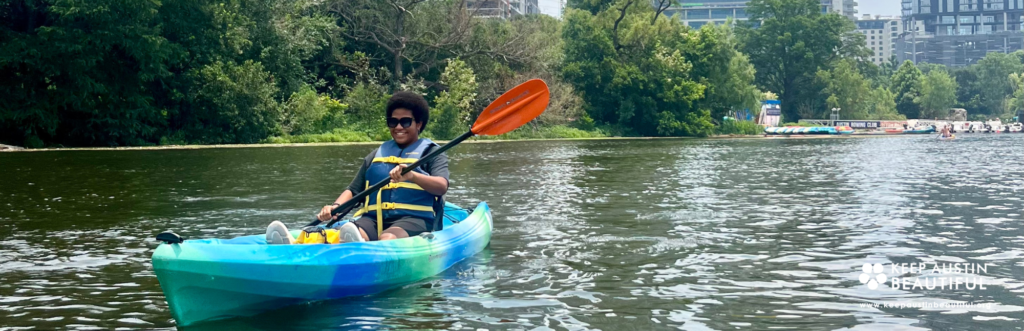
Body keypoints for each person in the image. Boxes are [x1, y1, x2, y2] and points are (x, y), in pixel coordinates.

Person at [265, 91, 450, 244]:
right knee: (347, 231)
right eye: (393, 122)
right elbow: (354, 190)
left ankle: (366, 252)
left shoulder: (431, 153)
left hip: (413, 220)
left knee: (387, 237)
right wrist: (335, 207)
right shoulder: (376, 155)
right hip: (373, 219)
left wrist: (413, 176)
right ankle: (294, 245)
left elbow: (441, 186)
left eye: (406, 122)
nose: (398, 127)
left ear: (419, 124)